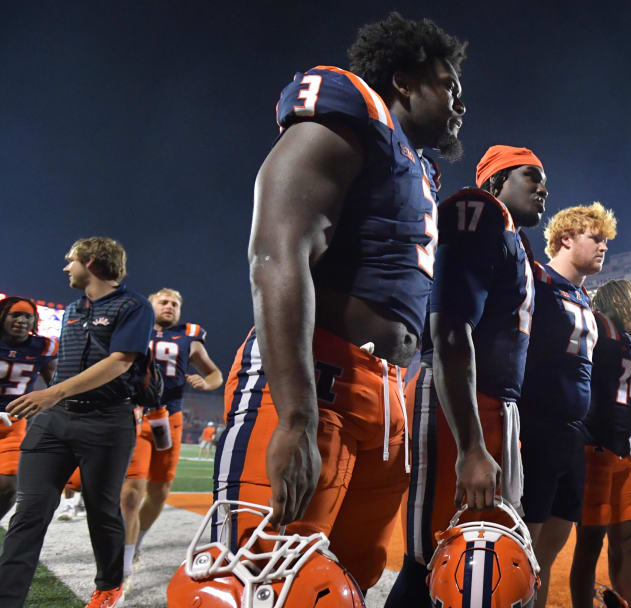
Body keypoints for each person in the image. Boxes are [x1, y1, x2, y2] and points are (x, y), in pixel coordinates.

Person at [210, 12, 467, 592]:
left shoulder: (417, 168)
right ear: (404, 80)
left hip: (388, 401)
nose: (459, 102)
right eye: (448, 84)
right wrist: (296, 415)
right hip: (322, 382)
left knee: (342, 586)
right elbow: (277, 254)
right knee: (259, 580)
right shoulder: (352, 107)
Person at [385, 145, 545, 606]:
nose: (543, 189)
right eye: (531, 177)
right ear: (495, 182)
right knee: (439, 556)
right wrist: (472, 446)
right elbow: (450, 329)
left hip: (494, 404)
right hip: (459, 401)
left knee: (488, 552)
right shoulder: (479, 212)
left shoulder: (513, 237)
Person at [0, 236, 154, 608]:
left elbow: (120, 362)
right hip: (55, 422)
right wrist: (54, 399)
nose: (65, 267)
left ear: (90, 261)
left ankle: (108, 585)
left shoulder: (133, 306)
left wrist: (51, 393)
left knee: (102, 512)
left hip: (106, 422)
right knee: (29, 514)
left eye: (70, 260)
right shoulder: (72, 310)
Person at [519, 202, 616, 608]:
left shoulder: (583, 295)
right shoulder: (536, 281)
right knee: (526, 543)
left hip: (573, 432)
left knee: (553, 543)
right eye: (596, 238)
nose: (603, 247)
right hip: (537, 425)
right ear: (566, 238)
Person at [120, 287, 222, 585]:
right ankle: (123, 565)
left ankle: (136, 542)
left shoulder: (188, 337)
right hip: (136, 415)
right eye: (163, 302)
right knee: (130, 493)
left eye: (175, 303)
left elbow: (215, 373)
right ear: (150, 306)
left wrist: (206, 383)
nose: (170, 307)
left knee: (159, 494)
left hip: (171, 418)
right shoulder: (134, 329)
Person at [569, 279, 631, 608]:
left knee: (624, 539)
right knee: (590, 540)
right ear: (620, 301)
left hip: (621, 448)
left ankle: (625, 602)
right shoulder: (599, 327)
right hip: (595, 447)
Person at [0, 298, 59, 521]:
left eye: (27, 316)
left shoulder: (42, 348)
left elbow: (55, 384)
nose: (22, 320)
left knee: (8, 488)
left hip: (12, 424)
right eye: (15, 314)